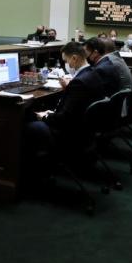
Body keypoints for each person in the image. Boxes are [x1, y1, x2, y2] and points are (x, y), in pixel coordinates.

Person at [27, 42, 106, 174]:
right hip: (85, 131)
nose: (67, 65)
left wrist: (45, 116)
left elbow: (64, 119)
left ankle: (33, 172)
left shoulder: (79, 82)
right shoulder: (92, 73)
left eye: (66, 61)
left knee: (27, 125)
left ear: (74, 58)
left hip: (70, 134)